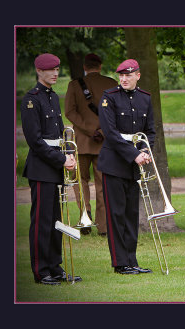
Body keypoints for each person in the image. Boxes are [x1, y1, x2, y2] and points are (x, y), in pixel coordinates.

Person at [21, 53, 82, 285]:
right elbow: (35, 142)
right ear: (39, 71)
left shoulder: (53, 97)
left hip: (56, 165)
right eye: (50, 70)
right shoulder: (31, 100)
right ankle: (41, 271)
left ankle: (55, 267)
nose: (55, 73)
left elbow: (57, 136)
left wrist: (68, 154)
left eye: (57, 69)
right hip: (41, 168)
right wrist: (60, 159)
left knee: (56, 220)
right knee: (42, 222)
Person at [98, 59, 156, 275]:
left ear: (137, 76)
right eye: (121, 75)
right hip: (114, 163)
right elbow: (110, 133)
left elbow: (150, 131)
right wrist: (134, 155)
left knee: (132, 214)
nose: (123, 79)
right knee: (116, 215)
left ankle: (132, 260)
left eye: (128, 75)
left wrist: (145, 151)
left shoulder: (145, 99)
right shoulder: (109, 98)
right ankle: (120, 263)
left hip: (135, 165)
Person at [65, 53, 118, 236]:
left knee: (81, 181)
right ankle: (103, 227)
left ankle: (85, 219)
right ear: (100, 66)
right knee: (103, 184)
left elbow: (70, 112)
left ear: (85, 67)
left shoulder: (74, 85)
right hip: (104, 143)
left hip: (81, 141)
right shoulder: (111, 83)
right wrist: (102, 132)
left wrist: (88, 130)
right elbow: (116, 113)